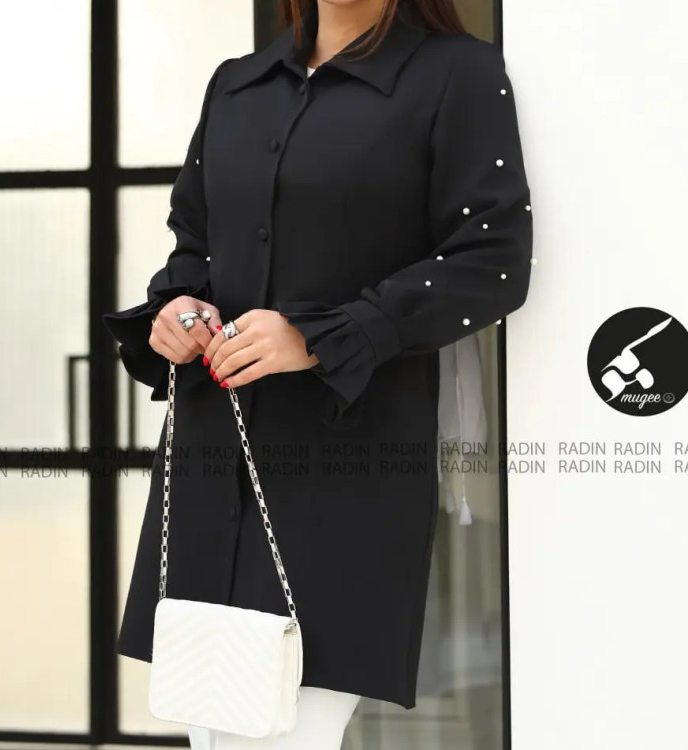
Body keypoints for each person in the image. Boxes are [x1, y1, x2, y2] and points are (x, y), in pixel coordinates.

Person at [102, 0, 534, 747]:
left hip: (344, 466)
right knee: (210, 721)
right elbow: (195, 244)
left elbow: (491, 260)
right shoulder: (236, 84)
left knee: (290, 728)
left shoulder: (456, 75)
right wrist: (178, 308)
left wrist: (319, 336)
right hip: (213, 456)